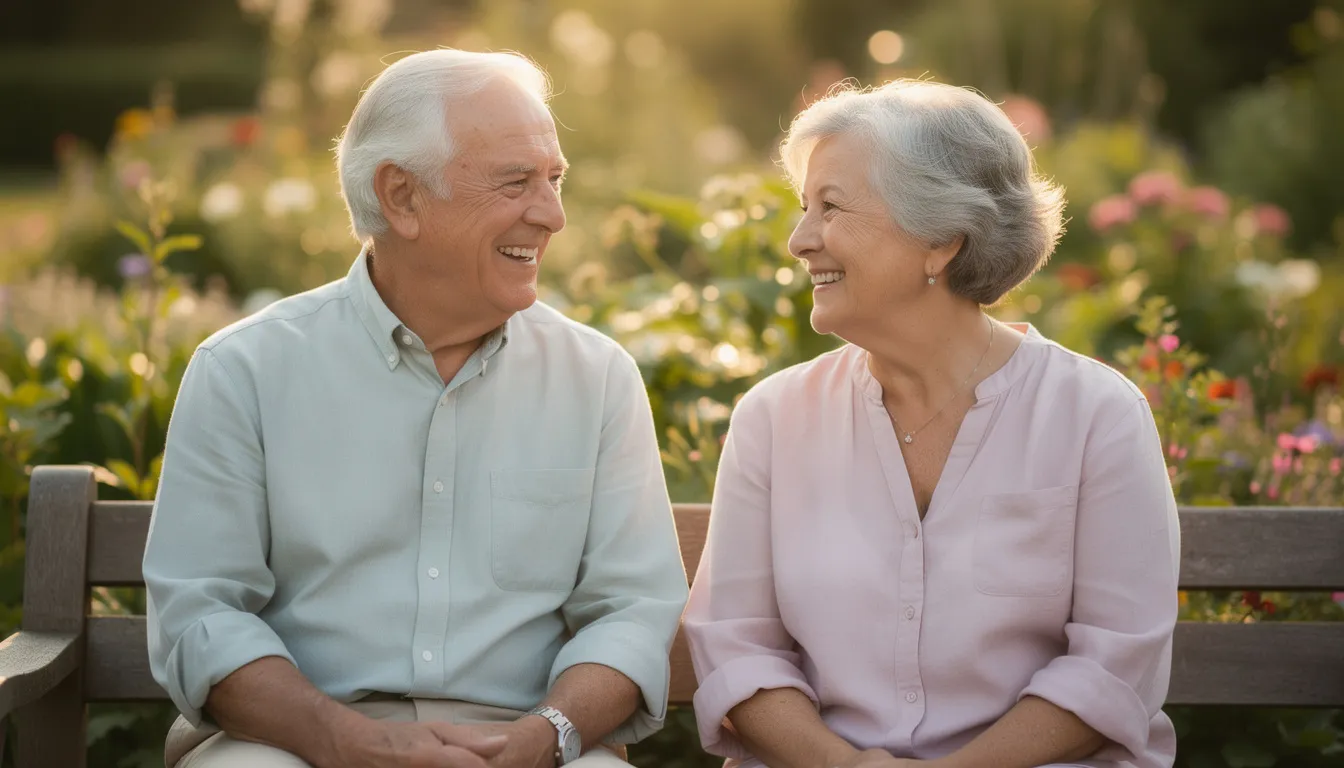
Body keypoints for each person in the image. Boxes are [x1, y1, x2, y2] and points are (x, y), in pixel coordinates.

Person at [143, 49, 689, 768]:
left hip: (532, 743)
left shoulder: (597, 378)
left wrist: (544, 737)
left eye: (554, 179)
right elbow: (201, 615)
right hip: (298, 744)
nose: (552, 215)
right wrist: (347, 742)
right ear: (401, 196)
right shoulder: (243, 371)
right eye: (516, 182)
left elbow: (633, 613)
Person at [683, 80, 1180, 768]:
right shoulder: (772, 419)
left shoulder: (1097, 415)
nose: (799, 241)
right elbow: (738, 649)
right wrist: (847, 765)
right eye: (804, 209)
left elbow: (1113, 668)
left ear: (941, 240)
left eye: (830, 208)